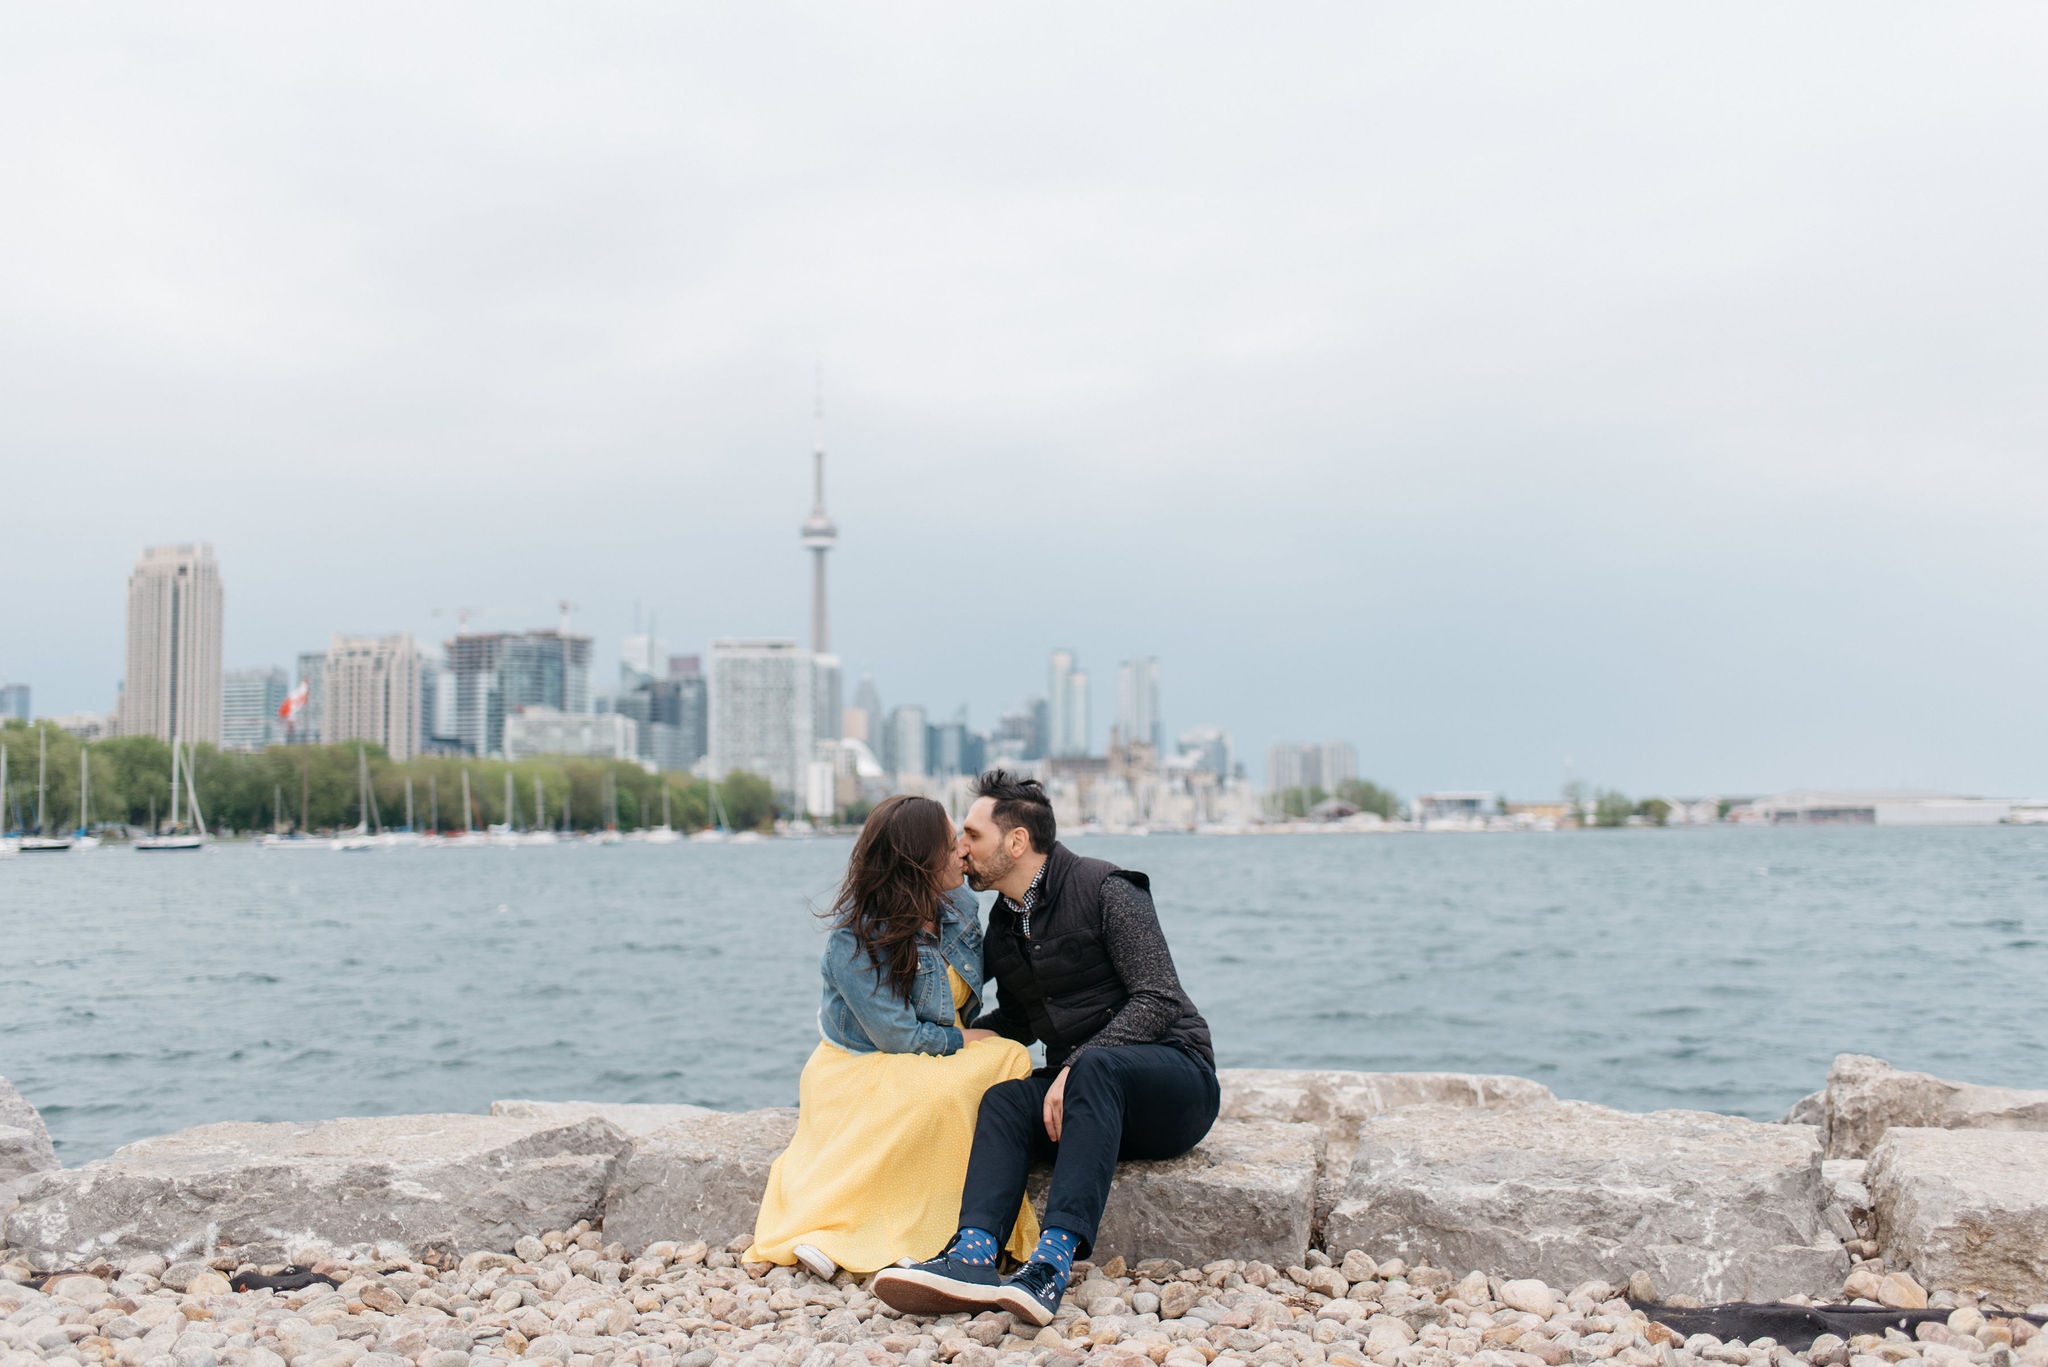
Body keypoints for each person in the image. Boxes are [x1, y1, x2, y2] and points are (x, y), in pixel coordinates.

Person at [872, 771, 1218, 1326]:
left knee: (1096, 1066)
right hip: (1090, 1104)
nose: (959, 847)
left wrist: (1076, 1066)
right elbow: (1015, 1020)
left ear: (1015, 842)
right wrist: (932, 1047)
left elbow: (1158, 999)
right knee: (1006, 1100)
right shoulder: (1004, 927)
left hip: (1176, 1083)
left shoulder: (1107, 889)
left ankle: (1050, 1266)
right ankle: (973, 1257)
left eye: (971, 834)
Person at [745, 794, 1041, 1279]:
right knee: (948, 1088)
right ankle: (846, 1231)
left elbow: (980, 993)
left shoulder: (962, 908)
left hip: (932, 1053)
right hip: (862, 1064)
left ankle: (935, 1232)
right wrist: (961, 1043)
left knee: (1009, 1059)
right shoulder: (854, 939)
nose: (964, 852)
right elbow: (896, 1034)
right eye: (951, 845)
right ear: (918, 862)